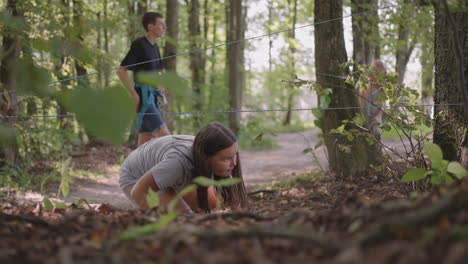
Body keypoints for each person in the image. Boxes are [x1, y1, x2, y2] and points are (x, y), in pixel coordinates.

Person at [119, 122, 249, 213]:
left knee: (211, 205)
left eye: (234, 155)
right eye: (227, 158)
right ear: (207, 157)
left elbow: (234, 203)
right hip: (135, 177)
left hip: (165, 169)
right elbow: (138, 191)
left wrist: (242, 221)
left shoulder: (207, 152)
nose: (234, 163)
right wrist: (154, 220)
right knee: (183, 218)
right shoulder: (178, 164)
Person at [116, 12, 170, 147]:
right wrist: (134, 95)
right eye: (161, 24)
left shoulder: (155, 47)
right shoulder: (139, 44)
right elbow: (121, 71)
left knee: (145, 142)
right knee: (166, 137)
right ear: (151, 26)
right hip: (144, 98)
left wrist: (160, 86)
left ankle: (136, 168)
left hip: (154, 98)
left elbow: (156, 72)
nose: (165, 27)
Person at [359, 59, 387, 142]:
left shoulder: (381, 89)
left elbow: (382, 107)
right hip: (363, 118)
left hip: (375, 121)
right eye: (376, 73)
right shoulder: (363, 86)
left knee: (375, 141)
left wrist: (377, 117)